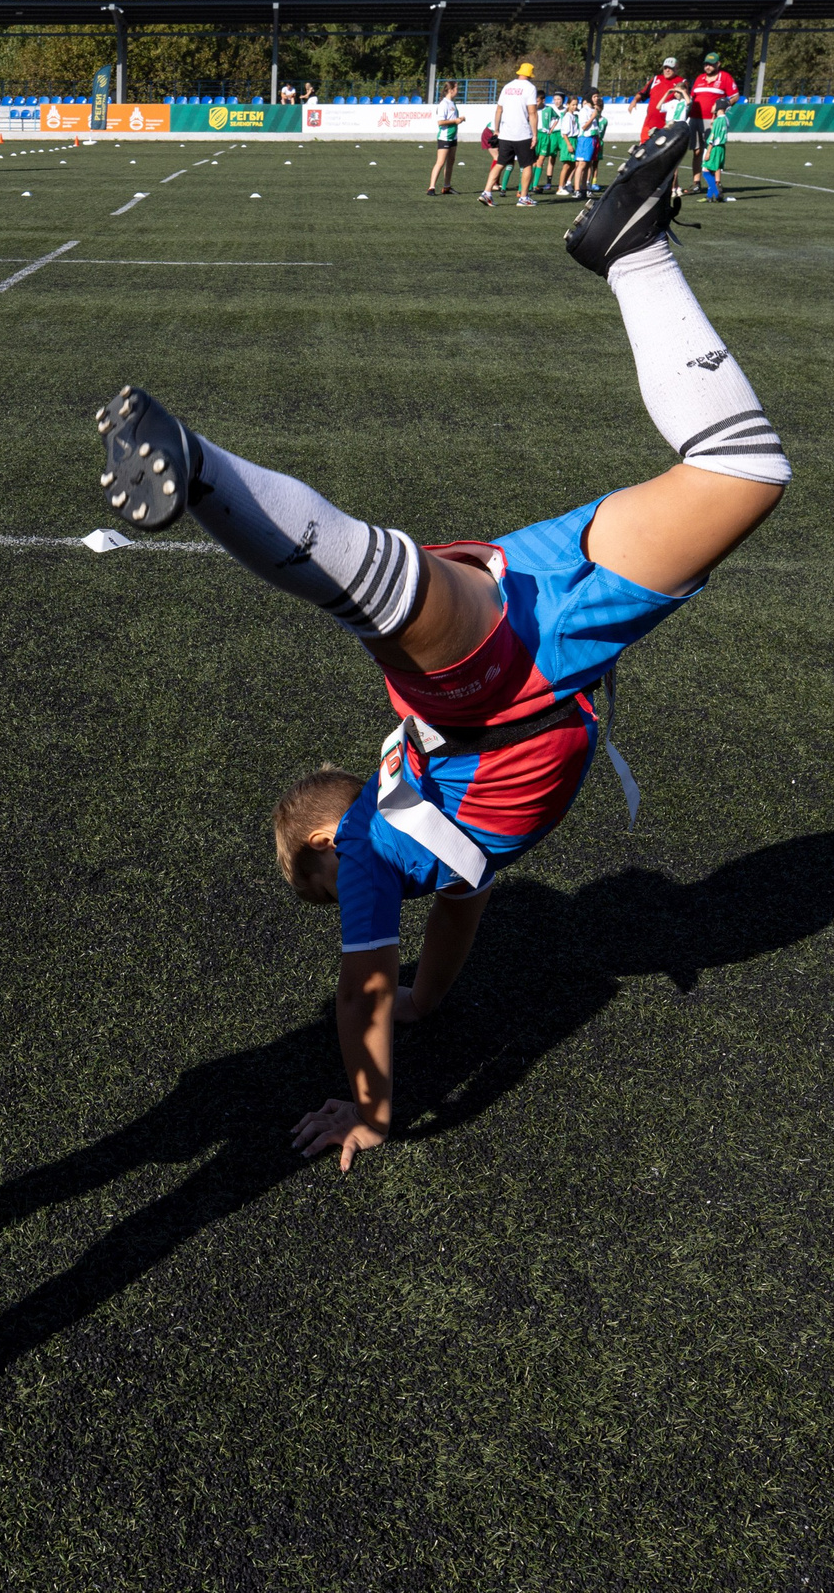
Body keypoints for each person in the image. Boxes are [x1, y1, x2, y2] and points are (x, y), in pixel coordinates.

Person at [89, 121, 786, 1169]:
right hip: (552, 625)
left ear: (325, 847)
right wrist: (429, 994)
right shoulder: (434, 837)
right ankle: (634, 246)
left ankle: (199, 470)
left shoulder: (369, 845)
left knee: (389, 592)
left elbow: (356, 985)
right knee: (743, 463)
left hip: (518, 674)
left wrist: (369, 1106)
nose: (340, 904)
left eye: (315, 887)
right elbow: (455, 914)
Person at [481, 62, 541, 208]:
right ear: (530, 74)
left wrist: (496, 130)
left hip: (505, 133)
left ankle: (487, 192)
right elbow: (532, 112)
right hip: (522, 133)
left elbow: (498, 110)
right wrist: (535, 134)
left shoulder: (507, 87)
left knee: (500, 163)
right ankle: (524, 197)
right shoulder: (530, 88)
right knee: (527, 164)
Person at [427, 82, 463, 195]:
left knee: (451, 161)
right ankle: (431, 188)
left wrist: (459, 119)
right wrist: (455, 121)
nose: (458, 90)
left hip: (453, 136)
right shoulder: (444, 104)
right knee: (440, 162)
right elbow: (441, 122)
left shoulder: (452, 103)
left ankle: (447, 187)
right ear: (451, 90)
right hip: (445, 137)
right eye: (456, 88)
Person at [690, 52, 740, 127]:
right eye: (706, 64)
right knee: (693, 139)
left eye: (710, 65)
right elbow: (691, 97)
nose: (707, 67)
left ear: (718, 64)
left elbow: (735, 97)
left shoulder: (725, 77)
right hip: (694, 118)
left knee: (711, 139)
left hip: (713, 119)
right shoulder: (699, 78)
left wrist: (721, 108)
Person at [698, 100, 732, 202]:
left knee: (705, 171)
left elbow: (713, 137)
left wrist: (708, 152)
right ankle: (709, 196)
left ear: (719, 107)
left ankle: (717, 194)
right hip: (721, 148)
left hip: (715, 148)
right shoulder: (725, 119)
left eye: (714, 104)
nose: (712, 106)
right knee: (711, 171)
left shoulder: (718, 120)